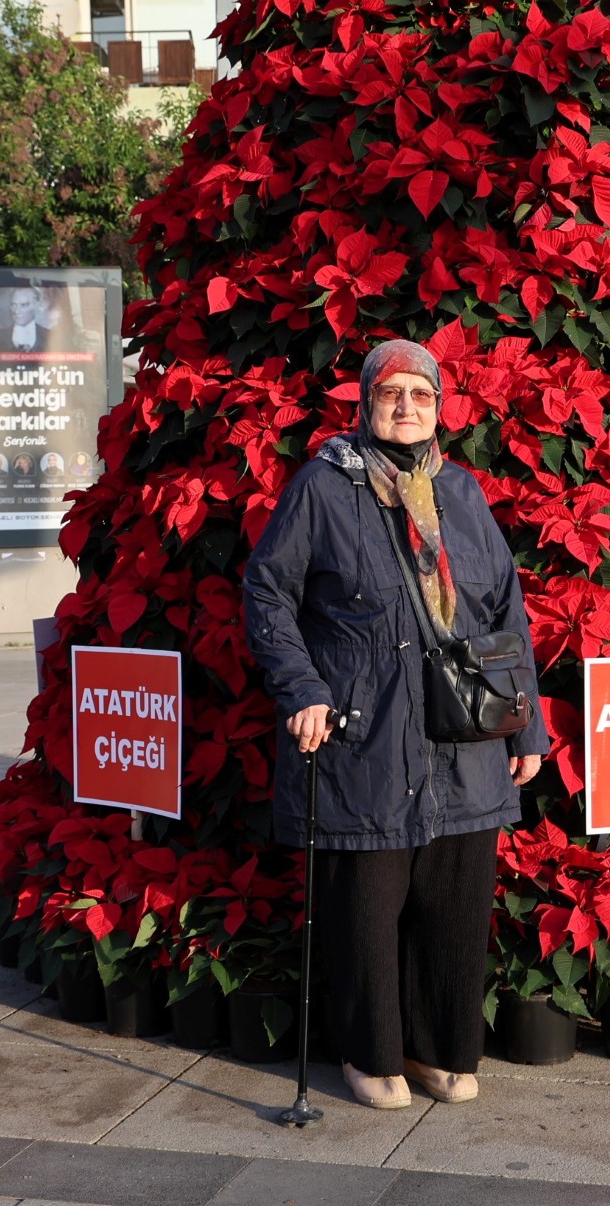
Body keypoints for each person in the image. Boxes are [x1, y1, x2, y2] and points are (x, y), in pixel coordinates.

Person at [243, 339, 547, 1112]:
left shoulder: (464, 494)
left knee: (454, 904)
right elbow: (268, 593)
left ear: (440, 407)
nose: (406, 406)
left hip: (463, 739)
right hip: (365, 733)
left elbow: (505, 613)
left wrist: (526, 728)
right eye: (391, 393)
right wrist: (302, 688)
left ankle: (439, 1048)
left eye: (420, 393)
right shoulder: (323, 486)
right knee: (367, 908)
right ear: (366, 403)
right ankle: (368, 1051)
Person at [0, 287, 51, 353]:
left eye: (23, 305)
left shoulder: (50, 337)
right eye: (14, 305)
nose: (17, 311)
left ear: (36, 306)